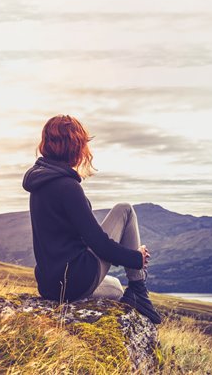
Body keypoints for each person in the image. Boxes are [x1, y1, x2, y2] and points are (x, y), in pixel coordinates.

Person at [22, 114, 161, 324]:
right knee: (125, 210)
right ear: (74, 146)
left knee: (113, 286)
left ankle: (136, 291)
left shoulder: (39, 183)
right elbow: (98, 243)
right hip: (75, 281)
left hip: (49, 286)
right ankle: (138, 289)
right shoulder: (68, 187)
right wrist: (136, 258)